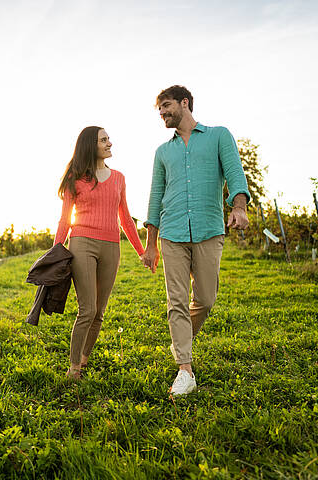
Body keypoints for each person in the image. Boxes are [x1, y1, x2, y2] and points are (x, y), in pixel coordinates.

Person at [141, 85, 250, 395]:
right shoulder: (163, 152)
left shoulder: (218, 135)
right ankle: (185, 370)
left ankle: (181, 341)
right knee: (175, 301)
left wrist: (239, 207)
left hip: (208, 228)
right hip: (172, 233)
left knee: (205, 299)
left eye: (165, 106)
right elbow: (155, 196)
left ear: (184, 103)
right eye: (159, 109)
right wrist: (151, 243)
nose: (161, 113)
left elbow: (234, 174)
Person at [54, 126, 145, 380]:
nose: (109, 143)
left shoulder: (118, 178)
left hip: (111, 246)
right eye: (104, 140)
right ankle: (72, 369)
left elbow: (125, 218)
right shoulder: (76, 176)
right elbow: (64, 220)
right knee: (87, 309)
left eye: (108, 139)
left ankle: (83, 362)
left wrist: (141, 251)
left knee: (100, 311)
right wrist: (55, 253)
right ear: (90, 145)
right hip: (82, 242)